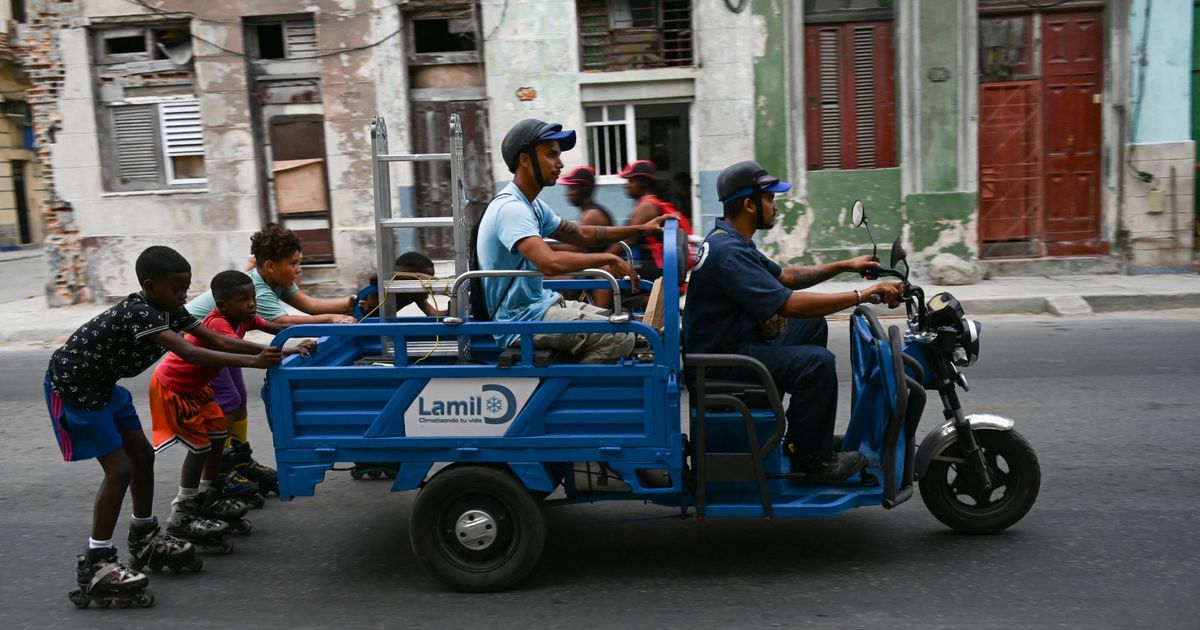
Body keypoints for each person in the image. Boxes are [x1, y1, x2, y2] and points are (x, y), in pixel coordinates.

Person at [45, 246, 283, 603]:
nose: (184, 295)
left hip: (105, 387)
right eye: (177, 288)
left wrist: (280, 352)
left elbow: (217, 340)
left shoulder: (169, 308)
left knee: (143, 456)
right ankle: (97, 561)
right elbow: (189, 352)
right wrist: (255, 362)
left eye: (186, 287)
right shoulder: (140, 312)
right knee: (120, 469)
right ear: (149, 285)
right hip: (74, 388)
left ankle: (143, 536)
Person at [682, 160, 903, 484]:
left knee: (813, 326)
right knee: (817, 363)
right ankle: (813, 461)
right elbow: (788, 304)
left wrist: (844, 265)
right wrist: (863, 294)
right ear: (749, 204)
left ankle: (805, 437)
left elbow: (786, 277)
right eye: (770, 198)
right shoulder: (729, 252)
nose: (775, 206)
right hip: (721, 362)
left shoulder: (729, 240)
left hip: (730, 346)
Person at [475, 118, 667, 363]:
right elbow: (550, 263)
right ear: (525, 160)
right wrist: (607, 258)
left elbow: (581, 235)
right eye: (551, 155)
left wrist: (641, 228)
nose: (560, 163)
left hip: (541, 306)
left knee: (627, 324)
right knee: (620, 338)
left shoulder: (532, 206)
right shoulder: (512, 209)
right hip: (520, 319)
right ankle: (577, 385)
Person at [187, 224, 355, 501]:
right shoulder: (256, 288)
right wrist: (331, 319)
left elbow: (310, 306)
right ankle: (222, 470)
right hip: (201, 344)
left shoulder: (275, 281)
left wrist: (348, 303)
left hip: (227, 339)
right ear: (270, 266)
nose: (298, 270)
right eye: (293, 263)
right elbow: (284, 322)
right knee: (227, 402)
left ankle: (240, 459)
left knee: (239, 399)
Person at [152, 270, 314, 549]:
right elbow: (231, 346)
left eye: (252, 297)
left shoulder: (244, 317)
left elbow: (274, 328)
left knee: (218, 436)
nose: (251, 304)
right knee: (200, 447)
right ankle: (182, 512)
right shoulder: (217, 322)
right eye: (243, 299)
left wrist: (303, 337)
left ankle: (209, 493)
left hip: (199, 387)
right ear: (222, 305)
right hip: (175, 386)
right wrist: (284, 352)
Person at [617, 160, 693, 282]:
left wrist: (603, 257)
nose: (627, 185)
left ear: (644, 182)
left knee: (606, 269)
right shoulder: (651, 202)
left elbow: (628, 240)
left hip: (656, 263)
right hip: (656, 262)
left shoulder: (647, 205)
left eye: (631, 181)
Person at [557, 165, 616, 307]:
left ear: (584, 189)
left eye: (572, 188)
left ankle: (596, 317)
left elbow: (574, 247)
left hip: (598, 269)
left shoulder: (592, 215)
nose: (568, 193)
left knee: (556, 277)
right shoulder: (588, 212)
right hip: (590, 266)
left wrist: (540, 246)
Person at [354, 251, 446, 319]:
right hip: (354, 320)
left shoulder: (415, 293)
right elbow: (375, 277)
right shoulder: (389, 283)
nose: (426, 284)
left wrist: (450, 310)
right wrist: (418, 276)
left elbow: (432, 314)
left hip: (377, 326)